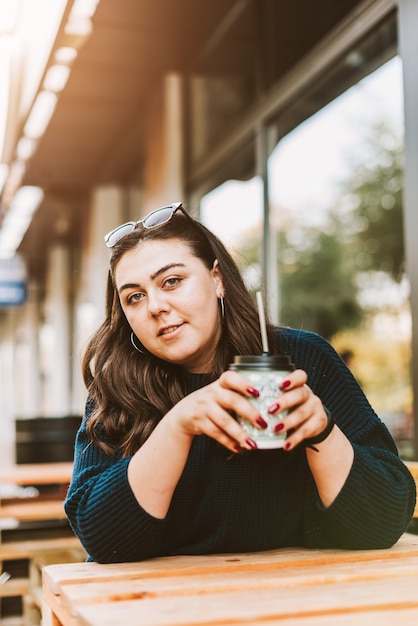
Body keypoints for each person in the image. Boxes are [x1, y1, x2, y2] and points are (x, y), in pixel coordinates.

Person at [65, 202, 416, 563]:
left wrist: (322, 431)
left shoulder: (301, 359)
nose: (155, 306)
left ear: (217, 279)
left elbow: (384, 522)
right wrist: (178, 425)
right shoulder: (117, 386)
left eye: (172, 281)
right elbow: (104, 542)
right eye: (134, 296)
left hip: (292, 595)